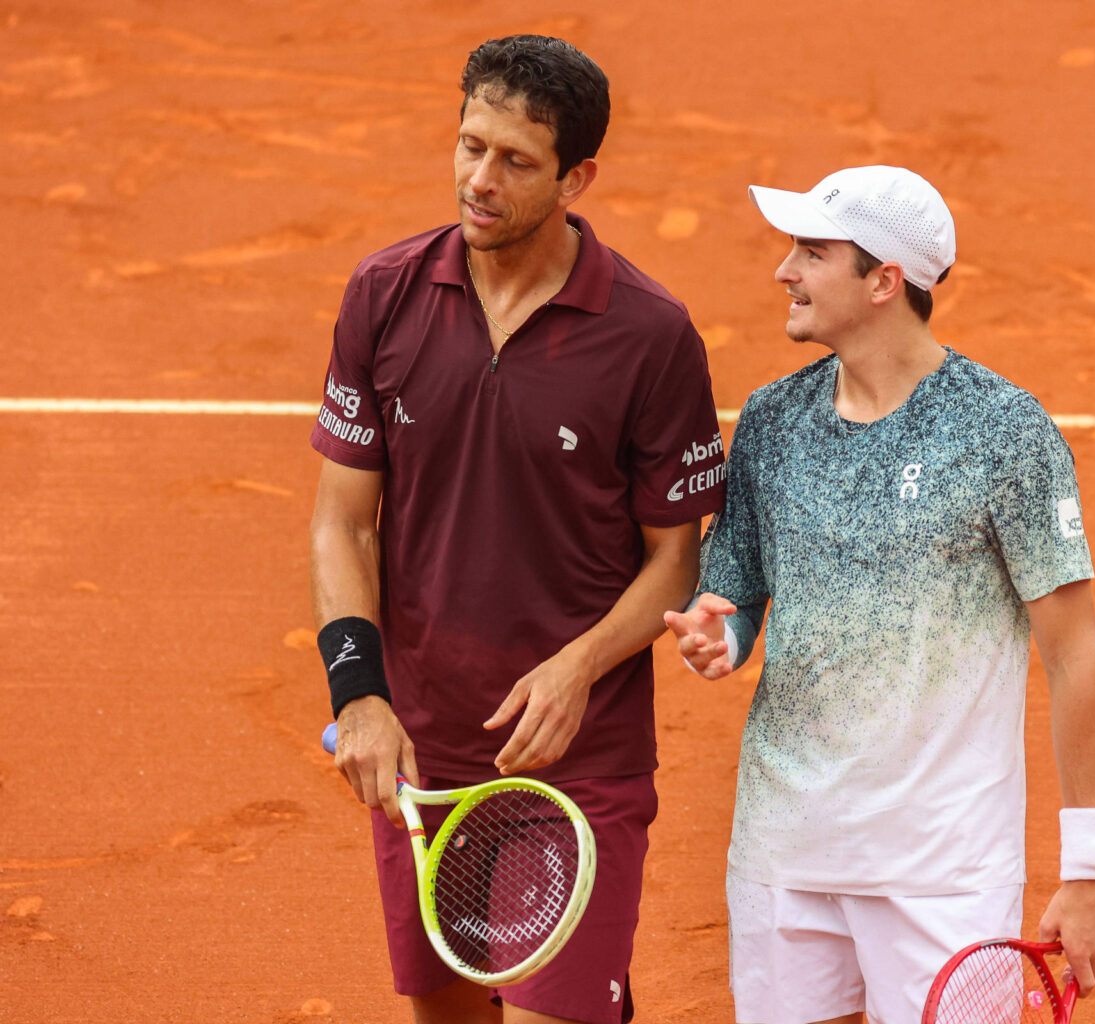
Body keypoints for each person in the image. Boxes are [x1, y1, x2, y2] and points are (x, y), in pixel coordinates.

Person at [308, 35, 726, 1024]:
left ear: (577, 177)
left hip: (575, 765)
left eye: (514, 162)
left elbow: (677, 558)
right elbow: (343, 521)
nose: (479, 180)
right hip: (424, 749)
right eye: (468, 146)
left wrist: (578, 666)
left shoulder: (650, 336)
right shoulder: (385, 294)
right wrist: (358, 695)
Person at [664, 165, 1095, 1024]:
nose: (783, 271)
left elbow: (1074, 650)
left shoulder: (1003, 432)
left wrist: (1088, 868)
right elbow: (737, 590)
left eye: (812, 252)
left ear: (883, 281)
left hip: (940, 867)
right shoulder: (771, 420)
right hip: (786, 848)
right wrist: (717, 636)